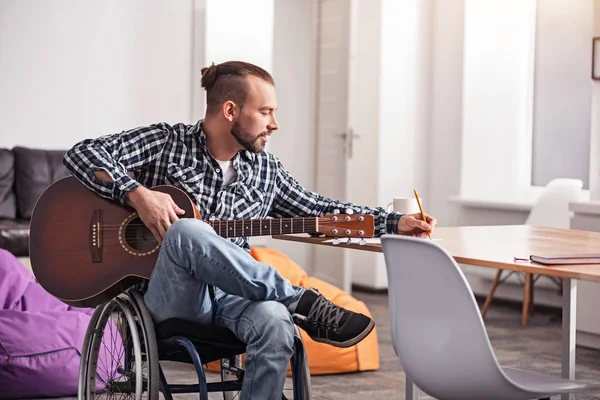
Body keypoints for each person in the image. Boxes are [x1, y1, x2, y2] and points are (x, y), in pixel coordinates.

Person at [63, 60, 437, 399]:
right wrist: (138, 195)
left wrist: (392, 222)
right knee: (186, 232)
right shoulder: (166, 143)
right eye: (266, 112)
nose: (274, 124)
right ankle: (302, 302)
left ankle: (289, 306)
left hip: (232, 299)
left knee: (275, 321)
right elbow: (82, 152)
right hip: (168, 301)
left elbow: (321, 209)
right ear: (230, 111)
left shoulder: (266, 170)